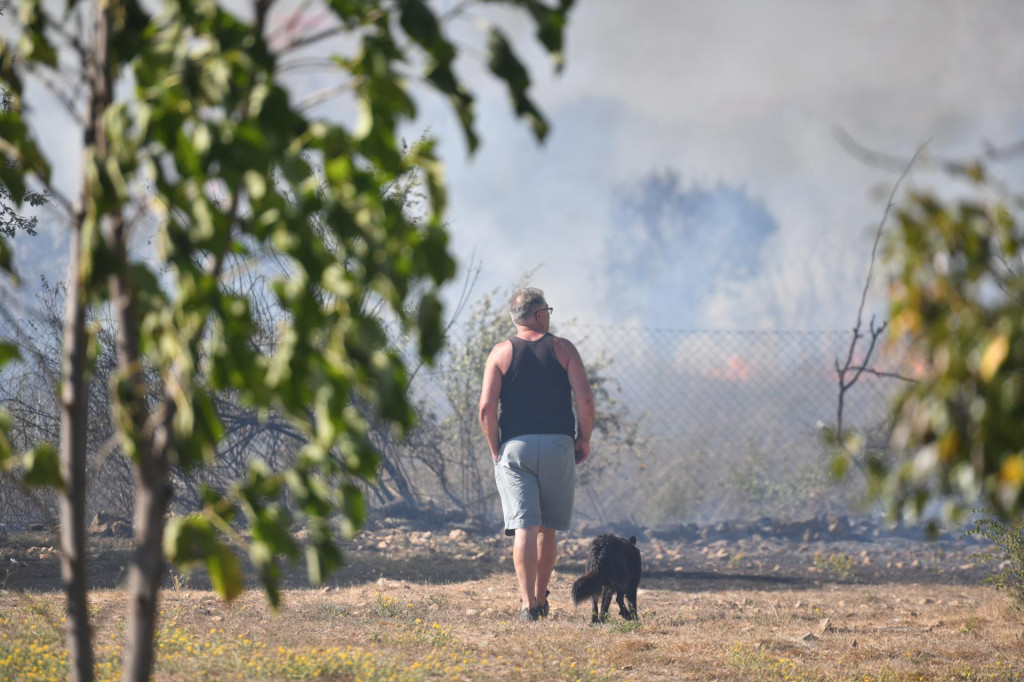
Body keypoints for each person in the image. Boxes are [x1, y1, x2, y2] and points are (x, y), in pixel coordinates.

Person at [478, 287, 595, 622]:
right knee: (547, 529)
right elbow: (585, 400)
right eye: (548, 311)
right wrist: (583, 438)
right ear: (540, 314)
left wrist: (495, 448)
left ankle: (529, 606)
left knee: (524, 526)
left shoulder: (500, 352)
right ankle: (542, 601)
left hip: (516, 448)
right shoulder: (563, 349)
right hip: (559, 446)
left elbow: (486, 407)